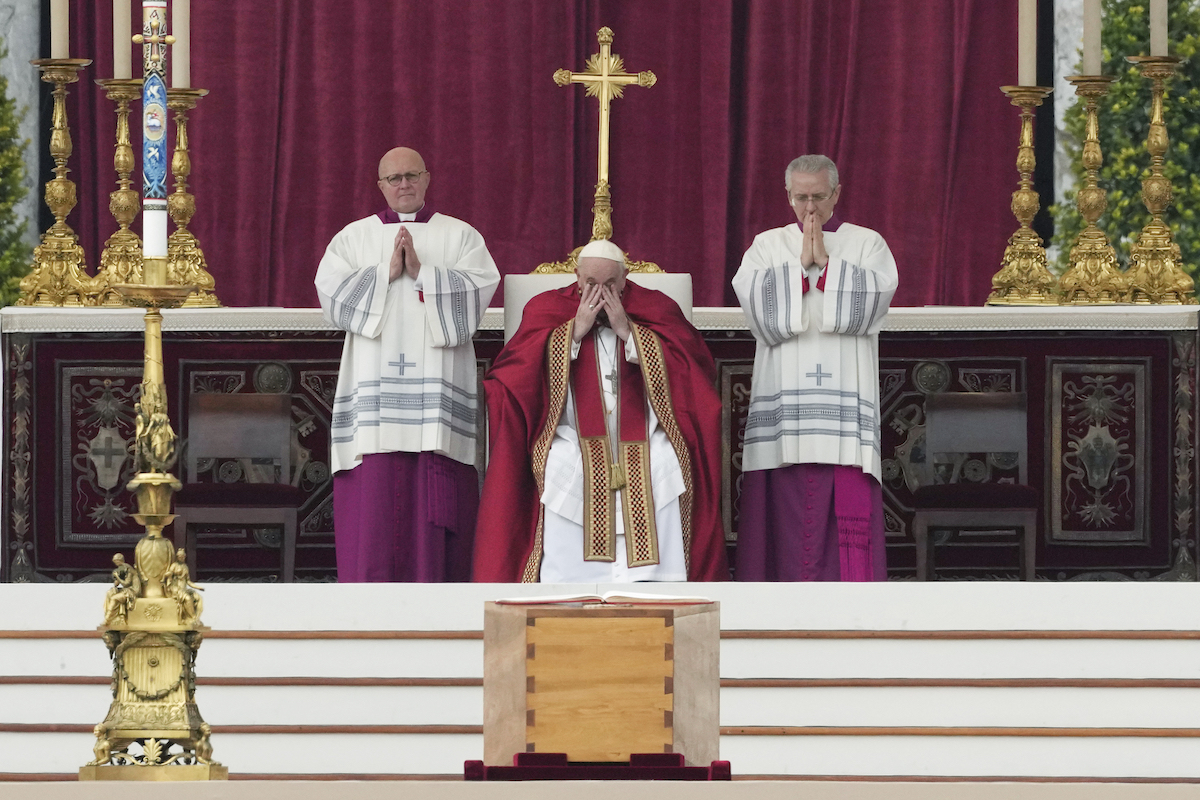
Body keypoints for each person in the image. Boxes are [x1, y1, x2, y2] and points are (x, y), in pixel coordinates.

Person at [474, 239, 727, 582]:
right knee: (560, 463)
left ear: (625, 280)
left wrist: (630, 333)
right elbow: (511, 377)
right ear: (577, 278)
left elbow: (694, 368)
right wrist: (572, 334)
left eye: (609, 285)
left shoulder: (656, 308)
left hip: (646, 437)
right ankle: (568, 579)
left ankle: (656, 580)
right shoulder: (546, 308)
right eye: (590, 284)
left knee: (663, 461)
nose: (599, 293)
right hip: (570, 435)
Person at [316, 147, 499, 582]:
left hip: (436, 400)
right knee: (376, 500)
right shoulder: (353, 238)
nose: (403, 184)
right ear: (380, 186)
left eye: (411, 176)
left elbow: (478, 294)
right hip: (375, 400)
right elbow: (331, 297)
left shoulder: (460, 236)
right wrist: (384, 273)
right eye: (393, 178)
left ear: (427, 179)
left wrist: (424, 273)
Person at [732, 155, 898, 581]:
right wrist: (797, 267)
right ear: (788, 196)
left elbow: (873, 305)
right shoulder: (767, 246)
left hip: (845, 412)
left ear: (836, 195)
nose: (810, 209)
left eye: (819, 197)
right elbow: (760, 313)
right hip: (785, 406)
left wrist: (826, 266)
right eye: (801, 197)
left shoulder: (867, 243)